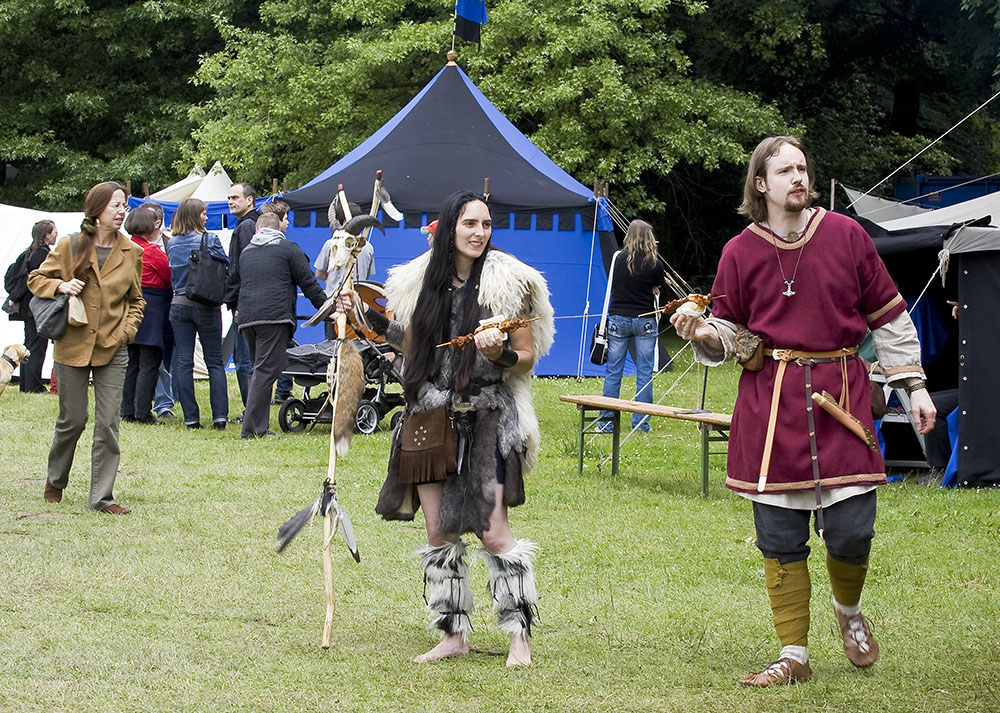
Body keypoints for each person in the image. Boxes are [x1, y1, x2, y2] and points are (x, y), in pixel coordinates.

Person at [671, 136, 936, 686]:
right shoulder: (739, 252)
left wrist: (913, 386)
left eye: (802, 168)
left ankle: (848, 610)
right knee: (779, 536)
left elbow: (888, 317)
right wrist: (702, 331)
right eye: (784, 170)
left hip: (841, 396)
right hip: (770, 404)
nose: (798, 177)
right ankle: (794, 653)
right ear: (760, 185)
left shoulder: (845, 235)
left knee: (851, 531)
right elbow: (732, 336)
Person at [336, 190, 555, 667]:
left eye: (486, 224)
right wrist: (362, 315)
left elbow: (527, 356)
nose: (479, 233)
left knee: (494, 533)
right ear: (450, 226)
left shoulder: (508, 282)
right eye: (470, 224)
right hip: (431, 417)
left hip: (487, 418)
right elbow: (412, 347)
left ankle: (519, 635)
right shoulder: (423, 284)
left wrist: (498, 352)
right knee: (438, 533)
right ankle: (452, 633)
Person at [27, 181, 145, 514]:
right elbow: (35, 280)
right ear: (96, 210)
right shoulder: (70, 244)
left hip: (112, 347)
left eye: (124, 206)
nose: (122, 211)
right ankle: (56, 478)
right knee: (72, 420)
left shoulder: (132, 252)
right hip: (73, 343)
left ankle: (102, 497)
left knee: (108, 423)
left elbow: (136, 300)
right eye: (115, 205)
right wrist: (61, 285)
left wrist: (126, 331)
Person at [234, 212, 328, 439]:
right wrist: (328, 310)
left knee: (258, 370)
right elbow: (309, 284)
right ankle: (252, 430)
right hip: (273, 317)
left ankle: (256, 424)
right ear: (279, 229)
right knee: (266, 371)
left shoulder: (246, 252)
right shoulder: (288, 249)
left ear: (258, 230)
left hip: (247, 318)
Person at [166, 198, 230, 430]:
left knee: (183, 362)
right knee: (214, 362)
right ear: (195, 215)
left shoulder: (171, 243)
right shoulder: (210, 239)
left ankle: (191, 418)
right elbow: (226, 267)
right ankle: (219, 417)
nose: (206, 216)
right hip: (206, 305)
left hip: (179, 304)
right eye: (203, 213)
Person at [599, 219, 666, 432]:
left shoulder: (618, 258)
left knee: (613, 371)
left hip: (618, 318)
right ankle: (640, 423)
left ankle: (607, 422)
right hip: (644, 319)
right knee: (644, 372)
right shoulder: (655, 263)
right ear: (649, 237)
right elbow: (657, 288)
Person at [120, 206, 172, 425]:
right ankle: (143, 411)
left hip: (127, 308)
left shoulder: (122, 249)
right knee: (149, 361)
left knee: (132, 361)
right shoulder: (151, 252)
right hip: (152, 308)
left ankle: (127, 408)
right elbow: (170, 278)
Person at [315, 199, 374, 341]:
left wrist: (332, 280)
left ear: (340, 221)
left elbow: (319, 273)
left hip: (336, 303)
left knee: (332, 346)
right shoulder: (368, 246)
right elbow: (367, 276)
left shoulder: (331, 244)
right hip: (357, 303)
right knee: (359, 345)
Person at [224, 182, 260, 412]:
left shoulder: (247, 226)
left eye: (236, 197)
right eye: (229, 197)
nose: (230, 201)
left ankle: (252, 410)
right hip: (245, 300)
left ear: (250, 200)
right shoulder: (246, 224)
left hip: (245, 302)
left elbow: (246, 266)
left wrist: (240, 303)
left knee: (244, 361)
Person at [260, 200, 296, 403]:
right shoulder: (285, 247)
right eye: (286, 218)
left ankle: (281, 389)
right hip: (279, 308)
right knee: (284, 349)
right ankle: (282, 390)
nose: (288, 223)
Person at [18, 220, 59, 392]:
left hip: (26, 306)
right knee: (37, 345)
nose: (57, 234)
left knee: (29, 344)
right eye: (54, 231)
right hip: (37, 307)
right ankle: (33, 385)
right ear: (47, 235)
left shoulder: (28, 253)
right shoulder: (43, 255)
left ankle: (26, 383)